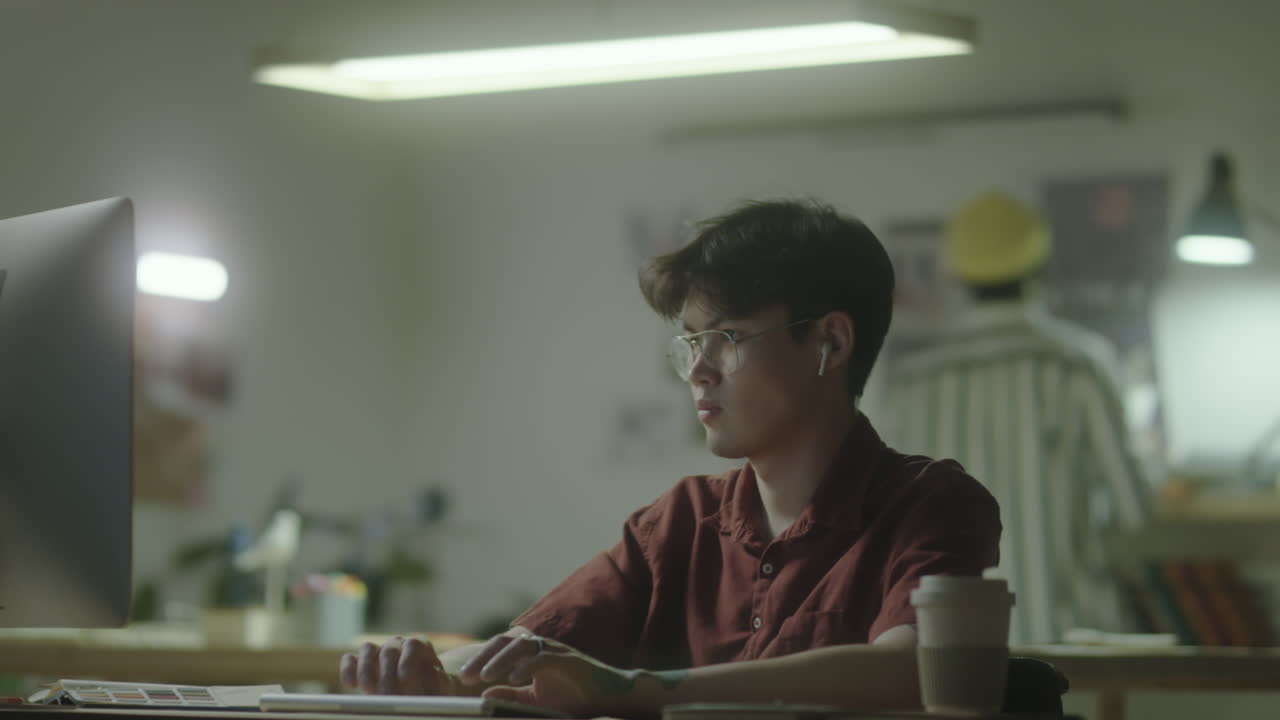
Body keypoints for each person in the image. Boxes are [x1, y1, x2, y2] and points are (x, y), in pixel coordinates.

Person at [340, 198, 1001, 717]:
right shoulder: (681, 521)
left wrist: (638, 692)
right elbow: (531, 651)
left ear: (830, 341)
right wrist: (432, 675)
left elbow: (912, 670)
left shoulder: (932, 504)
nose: (697, 371)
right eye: (691, 343)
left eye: (729, 338)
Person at [878, 192, 1153, 645]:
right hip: (1069, 638)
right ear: (1039, 267)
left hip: (947, 642)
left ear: (957, 272)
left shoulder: (911, 385)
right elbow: (1135, 510)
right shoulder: (1078, 365)